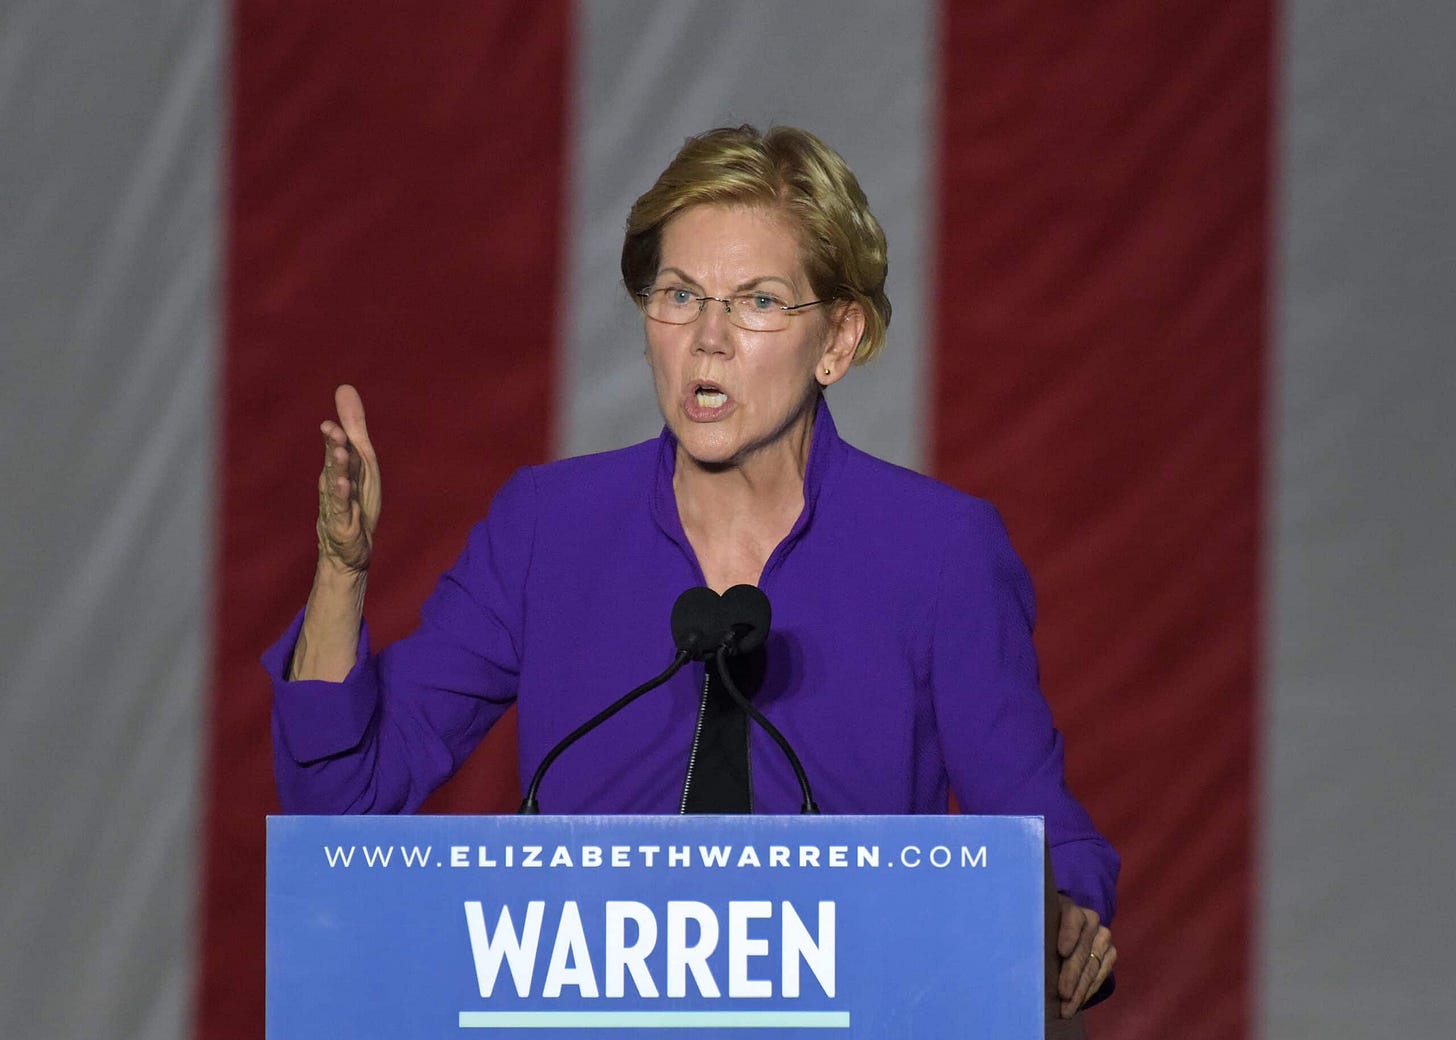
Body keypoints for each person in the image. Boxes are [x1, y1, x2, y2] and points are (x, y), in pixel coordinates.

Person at [265, 125, 1119, 1016]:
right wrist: (341, 572)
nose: (707, 339)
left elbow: (1039, 833)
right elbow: (341, 805)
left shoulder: (937, 554)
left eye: (757, 302)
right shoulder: (548, 529)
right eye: (679, 294)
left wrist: (1068, 915)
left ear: (838, 339)